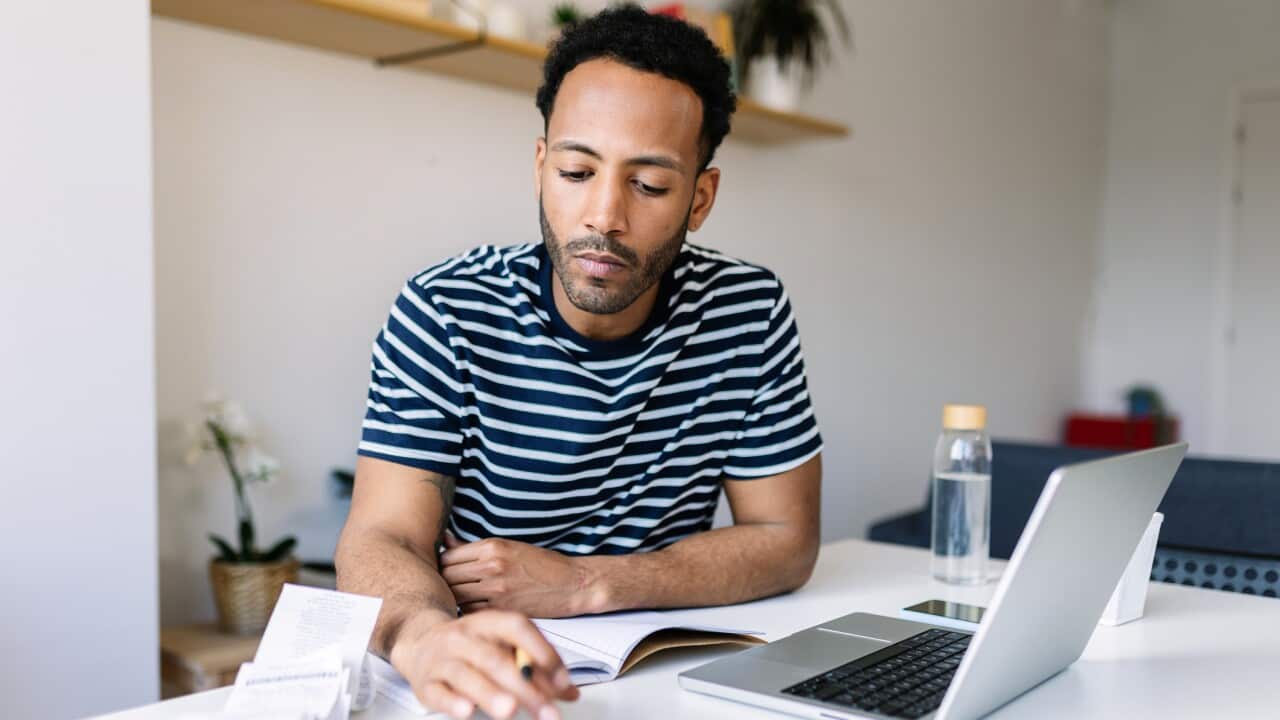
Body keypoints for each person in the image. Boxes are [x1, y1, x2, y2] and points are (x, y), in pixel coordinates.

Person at [334, 5, 823, 720]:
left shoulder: (747, 309)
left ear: (700, 198)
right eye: (575, 170)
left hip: (667, 676)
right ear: (540, 168)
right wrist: (424, 638)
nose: (603, 215)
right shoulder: (444, 310)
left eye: (649, 186)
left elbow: (787, 542)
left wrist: (587, 583)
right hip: (488, 676)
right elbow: (382, 536)